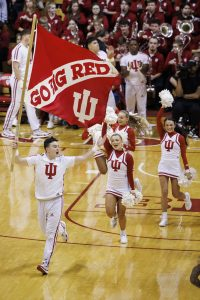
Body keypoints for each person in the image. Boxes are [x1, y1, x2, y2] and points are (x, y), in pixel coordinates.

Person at [13, 136, 99, 275]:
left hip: (56, 201)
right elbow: (18, 161)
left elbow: (83, 158)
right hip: (41, 201)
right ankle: (62, 226)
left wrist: (95, 147)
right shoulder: (38, 159)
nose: (57, 148)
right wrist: (15, 150)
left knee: (50, 235)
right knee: (45, 231)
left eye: (58, 146)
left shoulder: (63, 160)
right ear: (47, 149)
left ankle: (45, 263)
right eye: (54, 146)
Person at [2, 29, 50, 139]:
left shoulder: (28, 48)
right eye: (31, 36)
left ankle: (36, 129)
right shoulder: (18, 49)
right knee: (15, 104)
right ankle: (6, 129)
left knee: (30, 105)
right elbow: (15, 67)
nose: (33, 38)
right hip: (18, 81)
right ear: (26, 36)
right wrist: (20, 81)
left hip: (27, 81)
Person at [157, 106, 192, 227]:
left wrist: (187, 169)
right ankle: (164, 216)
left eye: (171, 125)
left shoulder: (180, 138)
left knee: (176, 194)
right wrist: (163, 107)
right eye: (167, 125)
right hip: (163, 166)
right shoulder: (162, 135)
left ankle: (186, 196)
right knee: (164, 191)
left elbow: (183, 155)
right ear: (165, 126)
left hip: (174, 167)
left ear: (174, 125)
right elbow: (158, 119)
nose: (169, 127)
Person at [101, 122, 135, 243]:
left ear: (122, 142)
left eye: (117, 140)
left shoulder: (128, 157)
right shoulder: (109, 151)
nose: (115, 142)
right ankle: (113, 217)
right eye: (113, 140)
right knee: (110, 212)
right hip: (111, 187)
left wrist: (132, 190)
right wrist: (105, 123)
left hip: (124, 189)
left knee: (122, 214)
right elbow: (103, 136)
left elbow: (130, 174)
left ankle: (123, 233)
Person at [120, 38, 149, 118]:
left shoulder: (144, 56)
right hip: (129, 85)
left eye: (135, 44)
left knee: (142, 108)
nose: (133, 46)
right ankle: (130, 127)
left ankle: (143, 128)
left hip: (141, 84)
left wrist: (140, 67)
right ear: (128, 46)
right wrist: (128, 69)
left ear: (138, 46)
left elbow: (145, 71)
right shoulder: (124, 58)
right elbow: (124, 74)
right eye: (131, 45)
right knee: (129, 109)